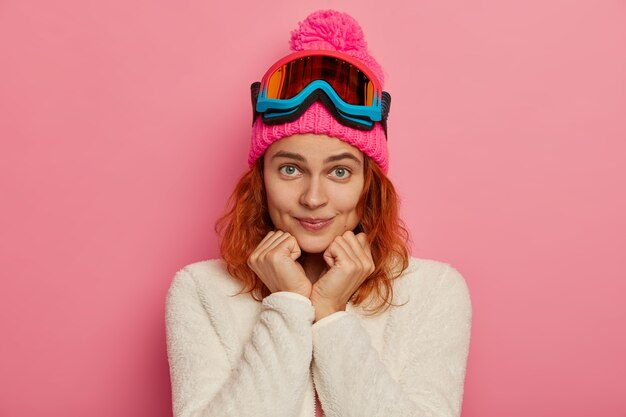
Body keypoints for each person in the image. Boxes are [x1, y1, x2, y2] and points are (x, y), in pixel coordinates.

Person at [165, 9, 472, 417]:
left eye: (340, 171)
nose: (313, 198)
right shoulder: (199, 290)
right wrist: (289, 305)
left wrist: (330, 315)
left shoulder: (434, 291)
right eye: (290, 169)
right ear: (261, 178)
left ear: (369, 184)